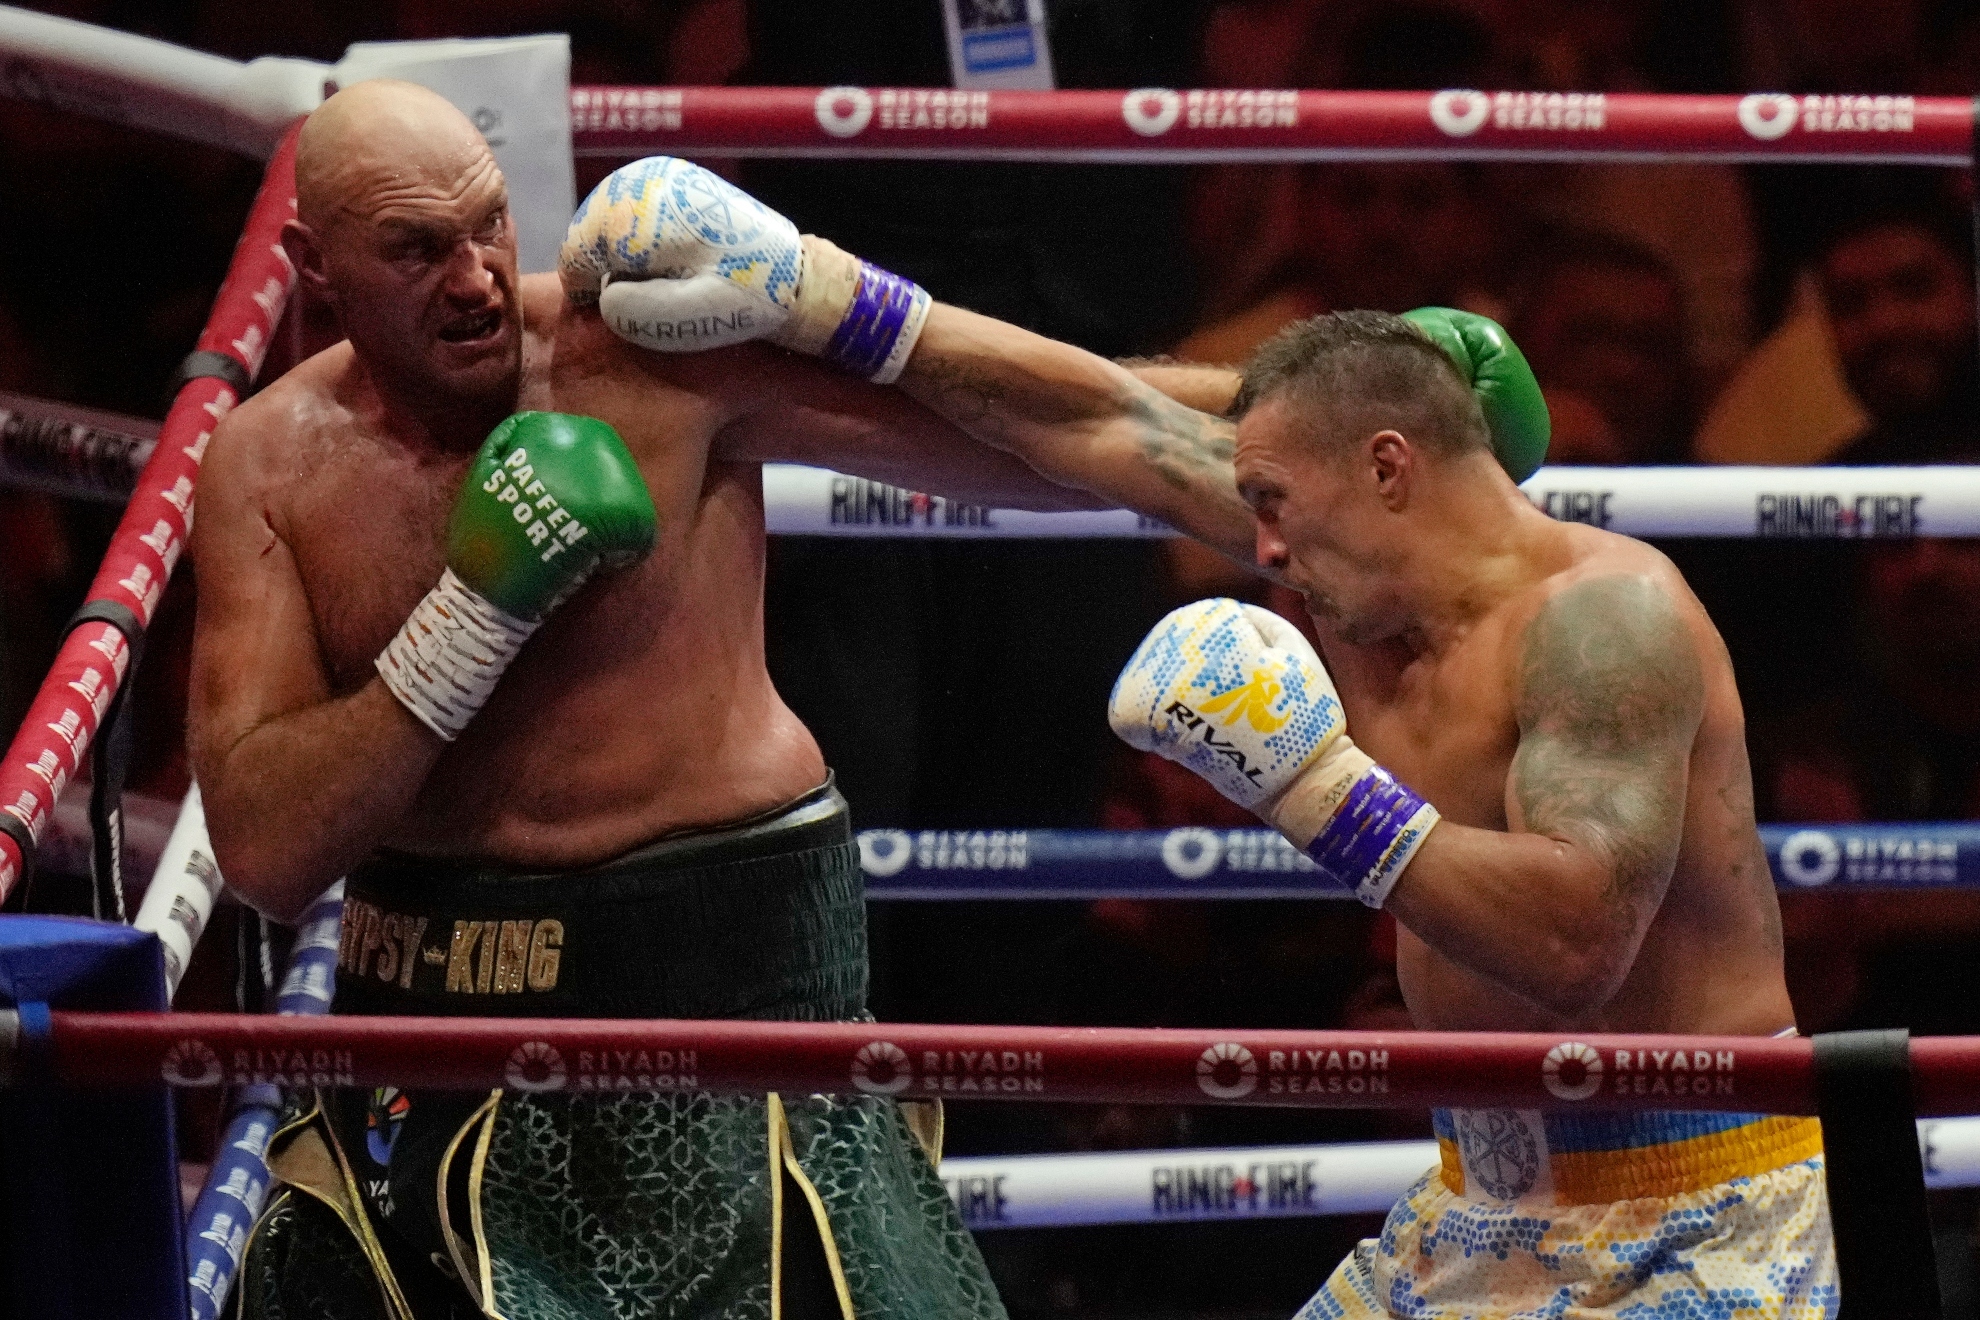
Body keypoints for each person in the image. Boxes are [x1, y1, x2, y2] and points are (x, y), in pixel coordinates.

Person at [578, 157, 1832, 1318]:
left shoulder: (1606, 622)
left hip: (1696, 1206)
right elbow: (1106, 422)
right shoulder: (1361, 580)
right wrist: (817, 299)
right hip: (1487, 1193)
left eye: (1275, 505)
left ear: (1390, 465)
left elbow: (1576, 941)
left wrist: (1317, 786)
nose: (1260, 549)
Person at [191, 82, 1135, 1320]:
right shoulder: (269, 462)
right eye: (418, 251)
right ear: (317, 269)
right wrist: (466, 624)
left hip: (725, 958)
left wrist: (1286, 429)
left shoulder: (640, 350)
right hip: (430, 998)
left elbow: (1043, 436)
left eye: (490, 227)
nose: (474, 280)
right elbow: (262, 849)